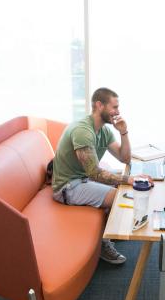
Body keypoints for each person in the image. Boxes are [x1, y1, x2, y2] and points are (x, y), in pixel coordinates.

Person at [52, 87, 153, 265]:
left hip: (84, 178)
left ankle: (109, 228)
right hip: (68, 187)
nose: (118, 111)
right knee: (119, 194)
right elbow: (94, 172)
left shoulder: (104, 131)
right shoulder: (83, 131)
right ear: (99, 105)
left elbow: (125, 158)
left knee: (123, 183)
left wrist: (124, 132)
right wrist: (128, 179)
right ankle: (102, 244)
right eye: (114, 107)